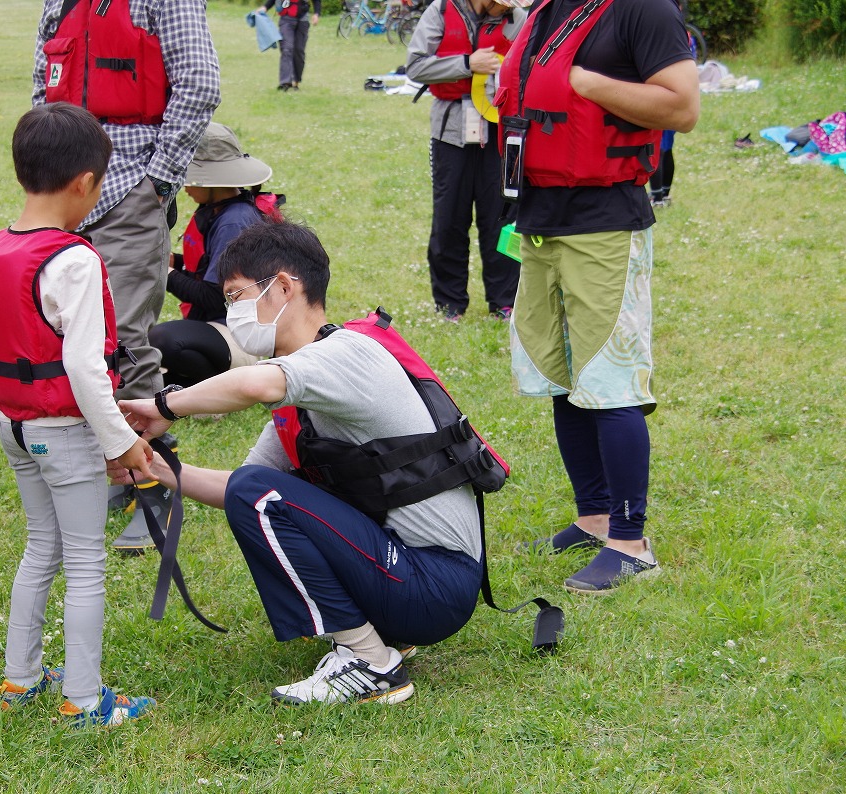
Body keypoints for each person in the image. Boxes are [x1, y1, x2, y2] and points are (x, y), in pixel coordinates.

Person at [111, 221, 484, 705]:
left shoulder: (344, 355)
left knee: (257, 490)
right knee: (255, 489)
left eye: (236, 296)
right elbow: (239, 491)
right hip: (406, 581)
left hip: (435, 584)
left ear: (284, 286)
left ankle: (371, 661)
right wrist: (158, 470)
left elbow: (253, 390)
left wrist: (162, 406)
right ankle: (377, 634)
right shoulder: (306, 395)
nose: (231, 312)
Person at [494, 0, 699, 592]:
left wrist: (585, 82)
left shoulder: (642, 10)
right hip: (540, 218)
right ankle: (594, 517)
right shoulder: (545, 12)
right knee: (562, 374)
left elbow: (683, 107)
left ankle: (631, 543)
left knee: (611, 382)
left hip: (605, 221)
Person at [0, 104, 156, 727]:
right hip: (63, 433)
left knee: (40, 548)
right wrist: (122, 441)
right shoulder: (72, 259)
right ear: (85, 183)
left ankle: (20, 680)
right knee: (84, 562)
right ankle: (84, 697)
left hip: (13, 426)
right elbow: (82, 368)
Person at [33, 0, 221, 552]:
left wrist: (160, 179)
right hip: (63, 190)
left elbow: (200, 82)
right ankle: (110, 468)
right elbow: (44, 84)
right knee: (69, 335)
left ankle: (153, 485)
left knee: (126, 342)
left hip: (129, 186)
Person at [406, 0, 526, 323]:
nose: (507, 9)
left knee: (502, 218)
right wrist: (466, 63)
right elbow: (415, 66)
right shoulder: (441, 11)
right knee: (449, 220)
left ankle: (506, 301)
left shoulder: (520, 17)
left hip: (502, 135)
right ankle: (449, 304)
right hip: (451, 134)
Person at [149, 122, 280, 389]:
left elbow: (212, 297)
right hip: (217, 327)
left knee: (163, 339)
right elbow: (211, 264)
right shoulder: (221, 207)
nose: (184, 186)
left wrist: (164, 269)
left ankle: (218, 386)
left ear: (213, 181)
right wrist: (177, 261)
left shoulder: (233, 221)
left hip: (240, 337)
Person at [256, 0, 321, 91]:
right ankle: (285, 82)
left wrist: (317, 13)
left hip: (303, 19)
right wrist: (265, 7)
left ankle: (296, 81)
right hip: (286, 19)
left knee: (299, 51)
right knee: (287, 49)